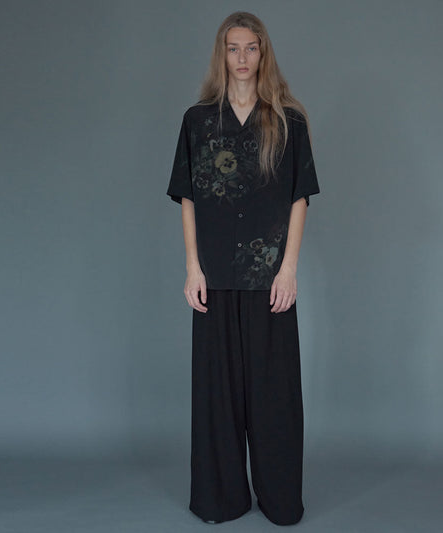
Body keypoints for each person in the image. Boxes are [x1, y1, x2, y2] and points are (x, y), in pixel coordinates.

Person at [166, 11, 320, 526]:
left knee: (275, 398)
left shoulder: (288, 121)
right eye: (233, 48)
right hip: (213, 278)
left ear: (263, 53)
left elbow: (299, 197)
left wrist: (289, 269)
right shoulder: (197, 121)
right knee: (218, 399)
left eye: (251, 48)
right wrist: (192, 268)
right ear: (222, 54)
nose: (242, 58)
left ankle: (279, 500)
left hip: (269, 279)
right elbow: (188, 197)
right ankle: (221, 499)